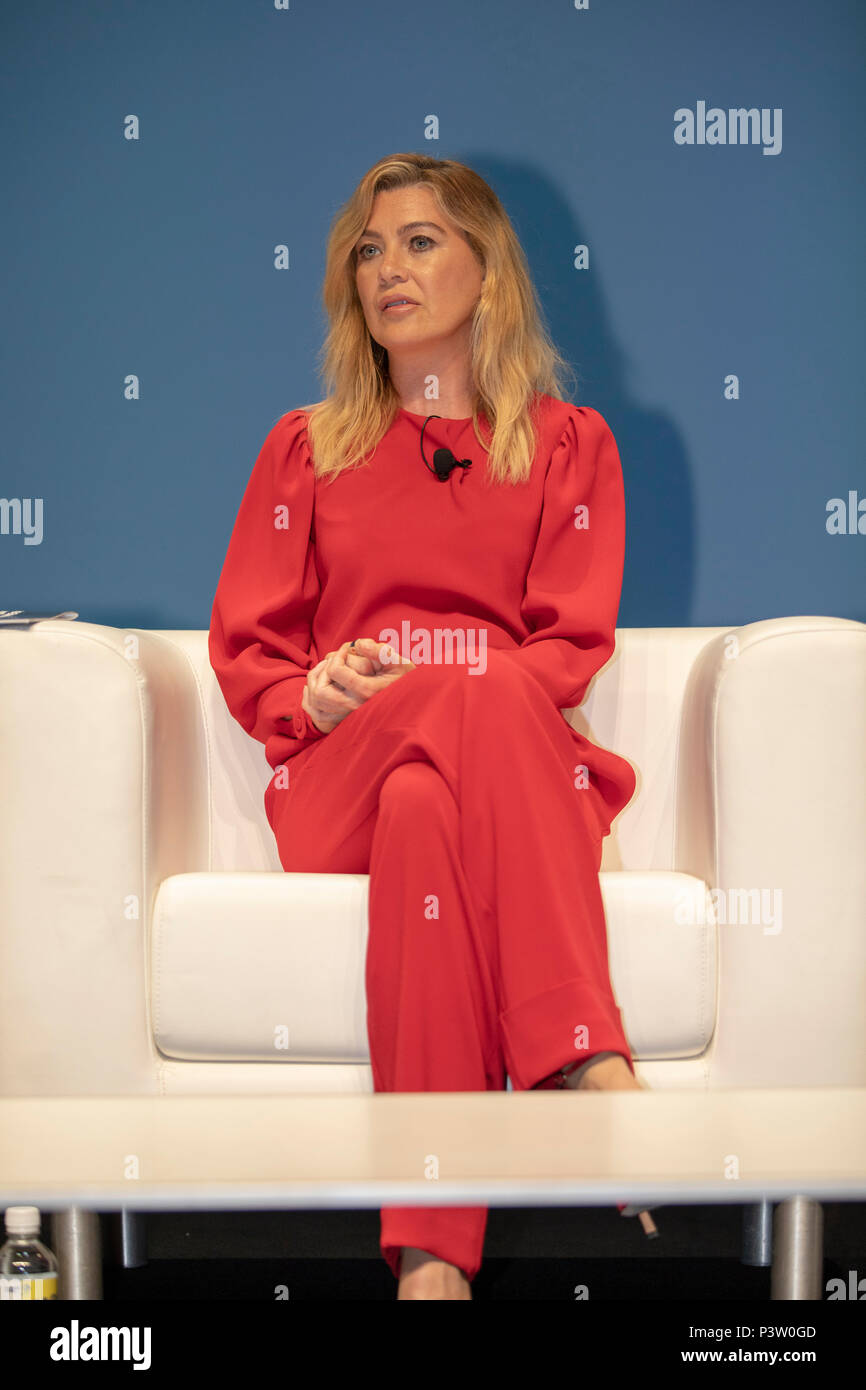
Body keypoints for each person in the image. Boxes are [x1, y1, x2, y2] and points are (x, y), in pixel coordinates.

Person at [208, 151, 651, 1301]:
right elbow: (252, 648)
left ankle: (429, 1257)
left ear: (486, 273)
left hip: (482, 777)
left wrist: (445, 688)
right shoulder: (303, 448)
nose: (386, 268)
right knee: (453, 719)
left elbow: (566, 647)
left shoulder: (566, 444)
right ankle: (582, 1054)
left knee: (432, 793)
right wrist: (321, 690)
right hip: (334, 780)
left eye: (417, 241)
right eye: (367, 248)